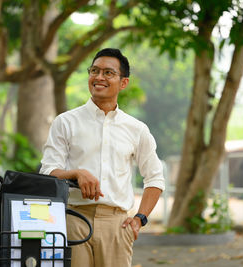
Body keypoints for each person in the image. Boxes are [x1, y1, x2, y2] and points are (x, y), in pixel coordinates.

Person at [39, 48, 165, 267]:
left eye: (108, 73)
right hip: (74, 220)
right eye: (94, 71)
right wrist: (76, 173)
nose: (99, 77)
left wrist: (140, 219)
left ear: (123, 82)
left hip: (117, 226)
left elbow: (154, 178)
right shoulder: (66, 122)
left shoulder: (136, 129)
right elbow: (48, 172)